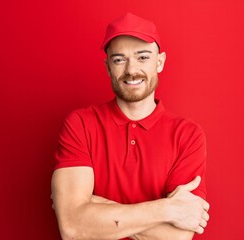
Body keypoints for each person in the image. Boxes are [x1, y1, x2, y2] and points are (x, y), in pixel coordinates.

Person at [51, 12, 210, 240]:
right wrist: (166, 209)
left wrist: (92, 207)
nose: (131, 70)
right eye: (119, 59)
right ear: (108, 67)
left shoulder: (188, 135)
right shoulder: (80, 124)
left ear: (160, 62)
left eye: (143, 57)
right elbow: (72, 227)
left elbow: (177, 236)